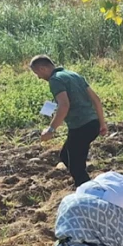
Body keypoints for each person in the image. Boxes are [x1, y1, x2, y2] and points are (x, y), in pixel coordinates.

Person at [30, 55, 108, 188]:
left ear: (43, 68)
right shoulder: (73, 74)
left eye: (37, 73)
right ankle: (87, 186)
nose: (39, 77)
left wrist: (51, 130)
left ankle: (89, 193)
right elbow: (96, 99)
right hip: (92, 124)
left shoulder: (55, 80)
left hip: (81, 127)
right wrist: (101, 123)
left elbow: (64, 106)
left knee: (76, 166)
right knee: (66, 156)